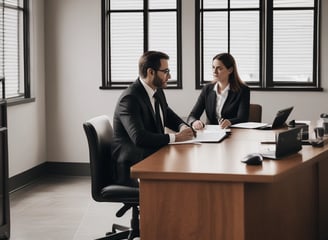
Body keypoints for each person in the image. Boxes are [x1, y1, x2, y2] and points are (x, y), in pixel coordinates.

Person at [112, 50, 195, 187]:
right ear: (151, 72)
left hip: (150, 156)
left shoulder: (157, 90)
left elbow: (167, 113)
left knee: (185, 164)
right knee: (180, 175)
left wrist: (182, 126)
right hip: (132, 167)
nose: (170, 76)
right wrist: (175, 137)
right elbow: (139, 138)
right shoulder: (130, 98)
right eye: (166, 71)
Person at [187, 53, 250, 129]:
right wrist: (194, 122)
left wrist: (230, 122)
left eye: (219, 68)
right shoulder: (207, 89)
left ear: (230, 70)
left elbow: (243, 118)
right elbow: (192, 116)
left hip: (233, 133)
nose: (214, 71)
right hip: (210, 134)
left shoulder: (243, 90)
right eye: (213, 67)